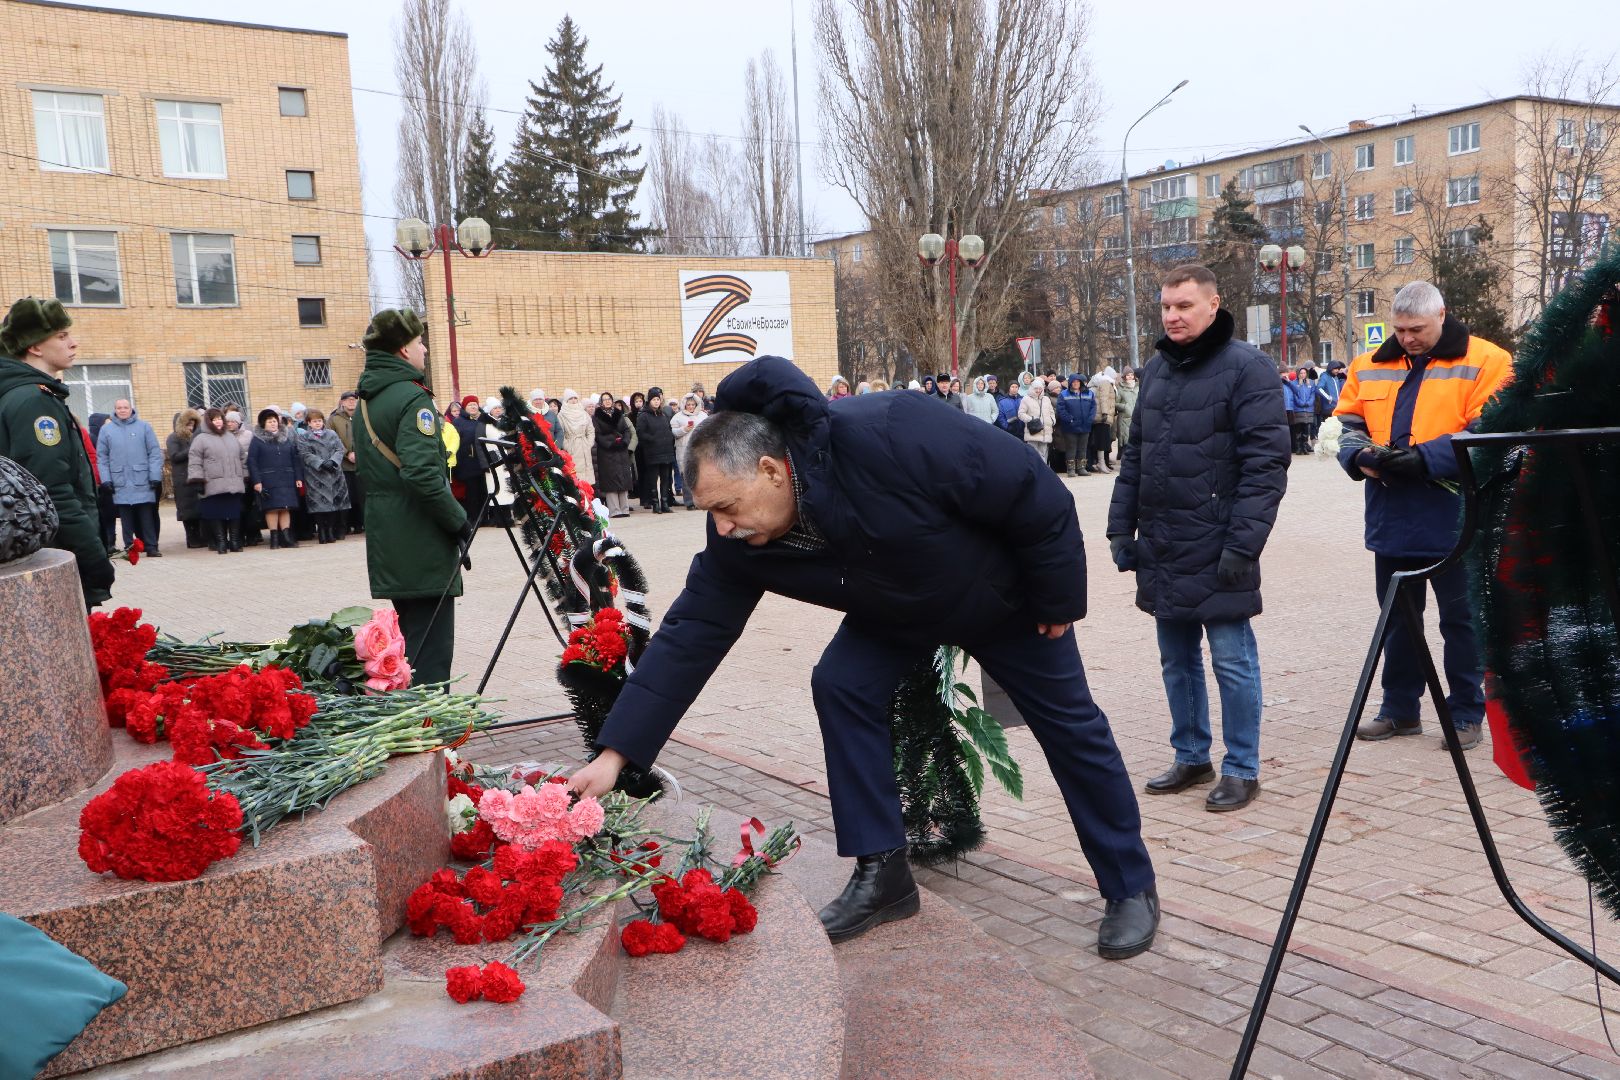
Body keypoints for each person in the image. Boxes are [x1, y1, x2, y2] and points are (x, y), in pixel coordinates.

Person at [567, 355, 1159, 959]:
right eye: (710, 513)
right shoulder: (739, 543)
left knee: (1070, 725)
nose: (722, 529)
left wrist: (1056, 595)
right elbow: (691, 634)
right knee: (841, 683)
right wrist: (618, 755)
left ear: (772, 470)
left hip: (1000, 598)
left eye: (727, 508)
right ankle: (885, 874)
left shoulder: (892, 429)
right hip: (896, 610)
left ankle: (1129, 884)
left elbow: (1033, 493)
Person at [1106, 264, 1290, 812]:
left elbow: (1266, 465)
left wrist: (1243, 544)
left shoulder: (1248, 368)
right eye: (1166, 306)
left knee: (1232, 659)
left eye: (1184, 305)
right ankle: (1191, 754)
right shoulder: (1158, 369)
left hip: (1220, 543)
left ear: (1214, 305)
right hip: (1164, 541)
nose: (1172, 316)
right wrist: (1120, 527)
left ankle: (1242, 767)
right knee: (1176, 658)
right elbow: (1134, 456)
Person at [1336, 280, 1512, 750]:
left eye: (1417, 329)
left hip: (1457, 513)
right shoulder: (1370, 364)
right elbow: (1348, 425)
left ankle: (1466, 714)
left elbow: (1489, 430)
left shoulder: (1486, 360)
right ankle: (1400, 710)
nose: (1407, 338)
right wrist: (1358, 458)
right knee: (1397, 618)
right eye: (1400, 329)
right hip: (1391, 513)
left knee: (1461, 620)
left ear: (1441, 315)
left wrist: (1424, 459)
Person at [352, 308, 471, 686]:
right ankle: (430, 735)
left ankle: (422, 731)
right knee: (431, 655)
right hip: (420, 536)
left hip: (391, 534)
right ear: (403, 349)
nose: (425, 350)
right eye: (420, 342)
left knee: (412, 646)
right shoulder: (411, 398)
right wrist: (457, 520)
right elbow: (421, 473)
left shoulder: (369, 399)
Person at [0, 297, 113, 606]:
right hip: (54, 553)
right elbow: (51, 490)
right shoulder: (34, 401)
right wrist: (93, 556)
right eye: (62, 336)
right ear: (35, 346)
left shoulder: (27, 393)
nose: (73, 343)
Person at [96, 398, 165, 557]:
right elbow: (102, 457)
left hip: (142, 480)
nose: (122, 410)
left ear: (131, 408)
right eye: (119, 408)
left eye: (125, 407)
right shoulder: (106, 430)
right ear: (115, 410)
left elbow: (154, 453)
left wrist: (155, 476)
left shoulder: (144, 427)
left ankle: (151, 546)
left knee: (146, 516)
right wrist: (106, 479)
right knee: (126, 518)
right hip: (120, 481)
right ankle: (129, 548)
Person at [187, 408, 247, 554]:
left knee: (234, 512)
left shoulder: (230, 436)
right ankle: (220, 542)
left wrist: (245, 475)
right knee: (215, 513)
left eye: (220, 418)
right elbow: (195, 461)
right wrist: (197, 479)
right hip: (213, 483)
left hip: (233, 482)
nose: (218, 421)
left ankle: (234, 541)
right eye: (214, 419)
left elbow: (242, 457)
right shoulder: (201, 439)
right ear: (208, 422)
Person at [248, 408, 304, 549]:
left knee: (285, 508)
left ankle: (286, 537)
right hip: (268, 479)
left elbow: (295, 458)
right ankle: (274, 538)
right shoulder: (257, 440)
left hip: (287, 477)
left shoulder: (286, 439)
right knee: (272, 509)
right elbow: (252, 461)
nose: (273, 424)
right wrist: (257, 481)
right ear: (263, 424)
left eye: (275, 421)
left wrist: (298, 477)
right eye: (269, 421)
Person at [297, 408, 350, 543]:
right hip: (315, 475)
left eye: (319, 421)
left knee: (333, 504)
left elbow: (340, 449)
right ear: (308, 423)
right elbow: (304, 453)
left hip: (333, 473)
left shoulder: (331, 434)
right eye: (314, 421)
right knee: (318, 505)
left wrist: (333, 461)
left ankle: (331, 530)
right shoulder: (304, 437)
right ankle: (322, 530)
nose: (317, 423)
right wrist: (320, 463)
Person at [328, 390, 365, 535]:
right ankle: (344, 525)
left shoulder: (361, 417)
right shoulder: (334, 419)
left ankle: (360, 524)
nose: (351, 402)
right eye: (348, 400)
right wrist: (347, 453)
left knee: (360, 495)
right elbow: (332, 439)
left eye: (354, 399)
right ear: (342, 402)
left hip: (361, 464)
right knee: (346, 495)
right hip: (343, 465)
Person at [592, 391, 635, 516]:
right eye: (604, 399)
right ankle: (614, 510)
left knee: (623, 479)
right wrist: (611, 443)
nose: (607, 401)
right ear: (601, 402)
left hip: (621, 451)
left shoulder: (618, 414)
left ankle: (624, 508)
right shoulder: (597, 417)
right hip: (607, 453)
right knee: (611, 482)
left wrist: (624, 442)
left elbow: (626, 430)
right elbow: (598, 435)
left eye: (609, 399)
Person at [167, 409, 204, 548]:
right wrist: (192, 449)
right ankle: (192, 538)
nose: (191, 427)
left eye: (193, 424)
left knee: (199, 508)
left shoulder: (197, 436)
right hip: (182, 478)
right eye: (188, 424)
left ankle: (201, 536)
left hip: (196, 476)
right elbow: (175, 456)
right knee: (187, 510)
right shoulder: (174, 438)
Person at [637, 389, 678, 513]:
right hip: (652, 452)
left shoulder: (663, 414)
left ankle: (665, 503)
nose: (656, 402)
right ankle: (655, 504)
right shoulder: (643, 415)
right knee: (653, 479)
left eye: (658, 400)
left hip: (666, 451)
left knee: (666, 478)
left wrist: (669, 438)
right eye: (654, 400)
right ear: (649, 401)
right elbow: (641, 433)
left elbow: (668, 429)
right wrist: (653, 439)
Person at [451, 395, 490, 524]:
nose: (473, 407)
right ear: (464, 407)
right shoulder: (458, 422)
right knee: (472, 493)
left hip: (483, 462)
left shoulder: (483, 419)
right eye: (470, 405)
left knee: (484, 492)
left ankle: (484, 518)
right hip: (467, 463)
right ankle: (474, 519)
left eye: (475, 404)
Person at [225, 409, 261, 546]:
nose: (230, 424)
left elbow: (253, 454)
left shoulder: (249, 435)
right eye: (227, 421)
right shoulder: (223, 436)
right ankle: (238, 536)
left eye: (233, 421)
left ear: (239, 422)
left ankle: (252, 535)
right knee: (237, 508)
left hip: (248, 476)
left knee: (250, 508)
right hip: (232, 477)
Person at [670, 392, 708, 509]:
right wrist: (684, 429)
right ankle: (689, 502)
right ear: (684, 405)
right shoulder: (677, 417)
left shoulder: (703, 416)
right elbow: (674, 432)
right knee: (686, 475)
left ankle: (701, 501)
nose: (691, 407)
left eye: (693, 404)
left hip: (700, 449)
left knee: (700, 476)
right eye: (688, 404)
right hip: (684, 450)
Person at [1056, 374, 1095, 477]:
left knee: (1083, 448)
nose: (1076, 384)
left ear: (1081, 383)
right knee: (1071, 448)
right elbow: (1061, 409)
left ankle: (1081, 468)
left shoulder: (1089, 393)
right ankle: (1071, 469)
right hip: (1070, 426)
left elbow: (1093, 407)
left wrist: (1090, 419)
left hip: (1085, 425)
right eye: (1073, 382)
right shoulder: (1064, 394)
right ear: (1070, 383)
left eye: (1078, 382)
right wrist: (1070, 419)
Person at [556, 389, 594, 485]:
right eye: (570, 398)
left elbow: (590, 430)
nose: (573, 400)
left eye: (575, 398)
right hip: (572, 448)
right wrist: (567, 446)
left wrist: (589, 443)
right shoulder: (562, 415)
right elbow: (561, 433)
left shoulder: (583, 413)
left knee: (587, 479)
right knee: (574, 477)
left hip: (584, 446)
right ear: (566, 401)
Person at [1018, 375, 1057, 464]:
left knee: (1043, 453)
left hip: (1046, 431)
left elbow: (1051, 412)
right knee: (1032, 453)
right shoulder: (1026, 399)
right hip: (1033, 430)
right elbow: (1020, 414)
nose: (1038, 391)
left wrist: (1052, 421)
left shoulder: (1046, 399)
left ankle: (1043, 472)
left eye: (1040, 389)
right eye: (1036, 388)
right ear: (1032, 388)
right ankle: (1034, 471)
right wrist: (1031, 419)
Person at [1089, 368, 1119, 472]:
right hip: (1102, 417)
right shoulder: (1106, 382)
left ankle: (1102, 463)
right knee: (1101, 441)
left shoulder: (1107, 383)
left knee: (1103, 441)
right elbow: (1104, 398)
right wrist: (1105, 412)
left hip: (1104, 417)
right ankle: (1100, 463)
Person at [1286, 367, 1316, 454]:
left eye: (1304, 373)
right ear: (1298, 374)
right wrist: (1300, 402)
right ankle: (1299, 447)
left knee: (1306, 429)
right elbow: (1294, 395)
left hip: (1308, 409)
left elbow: (1312, 394)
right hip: (1298, 409)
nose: (1303, 375)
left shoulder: (1311, 382)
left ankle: (1305, 446)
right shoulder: (1294, 383)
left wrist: (1309, 402)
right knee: (1298, 429)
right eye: (1301, 373)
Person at [1114, 369, 1138, 454]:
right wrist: (1124, 407)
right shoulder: (1120, 389)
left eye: (1132, 375)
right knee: (1126, 442)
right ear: (1124, 377)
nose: (1130, 377)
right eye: (1128, 375)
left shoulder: (1138, 387)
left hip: (1137, 418)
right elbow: (1115, 403)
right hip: (1125, 419)